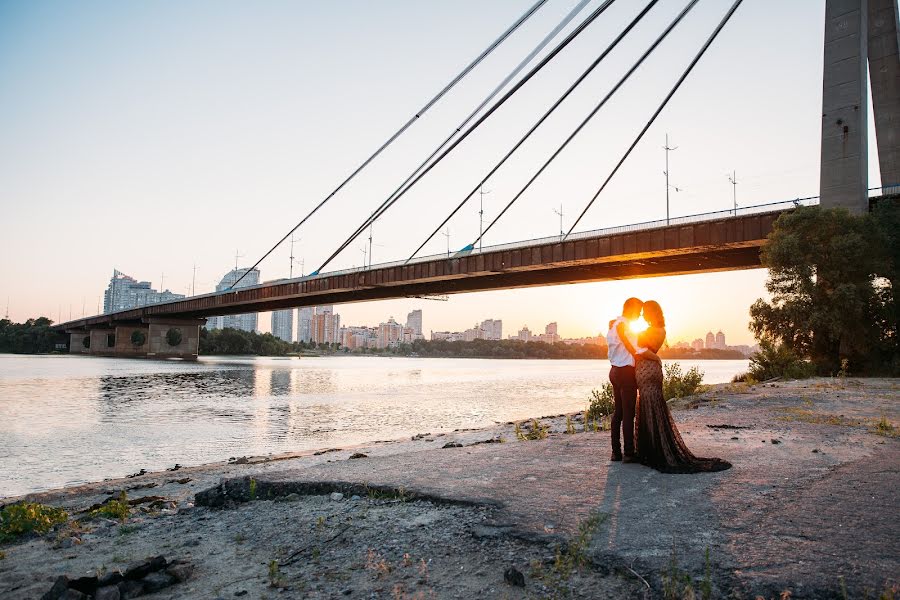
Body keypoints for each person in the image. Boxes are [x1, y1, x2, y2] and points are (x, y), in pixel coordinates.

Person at [632, 300, 731, 473]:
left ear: (650, 313)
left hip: (645, 369)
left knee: (648, 406)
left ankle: (651, 450)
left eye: (645, 312)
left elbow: (640, 351)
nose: (642, 315)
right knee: (655, 406)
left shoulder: (648, 331)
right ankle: (657, 448)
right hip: (653, 370)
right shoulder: (661, 330)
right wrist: (657, 359)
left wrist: (654, 357)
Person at [606, 297, 643, 463]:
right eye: (639, 312)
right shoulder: (623, 326)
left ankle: (616, 452)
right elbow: (631, 346)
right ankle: (629, 453)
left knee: (619, 412)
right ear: (632, 309)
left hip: (614, 371)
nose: (640, 316)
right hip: (626, 372)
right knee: (628, 414)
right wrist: (640, 355)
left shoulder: (613, 325)